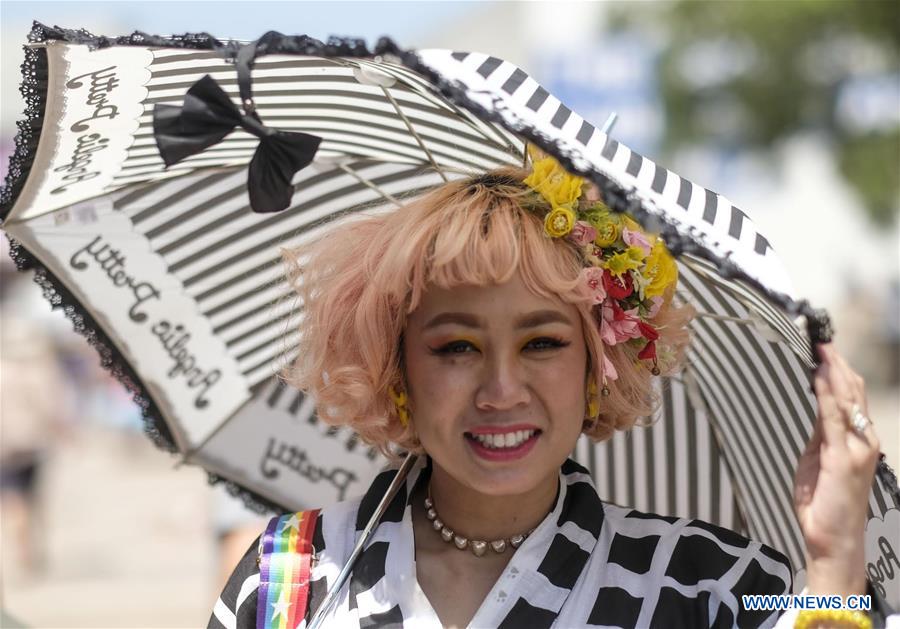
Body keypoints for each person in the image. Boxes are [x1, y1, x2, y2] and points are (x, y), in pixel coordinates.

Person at [209, 154, 886, 629]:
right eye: (456, 347)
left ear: (598, 363)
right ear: (397, 366)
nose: (502, 390)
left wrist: (833, 562)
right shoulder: (288, 575)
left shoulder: (715, 582)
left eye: (542, 343)